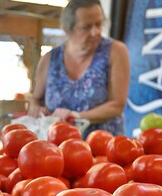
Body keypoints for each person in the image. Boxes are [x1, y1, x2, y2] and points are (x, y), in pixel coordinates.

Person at [27, 0, 130, 136]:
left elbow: (117, 104)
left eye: (98, 24)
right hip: (57, 146)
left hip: (104, 146)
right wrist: (35, 108)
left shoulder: (115, 51)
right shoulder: (49, 59)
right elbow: (35, 98)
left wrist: (76, 116)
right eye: (86, 27)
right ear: (68, 29)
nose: (95, 32)